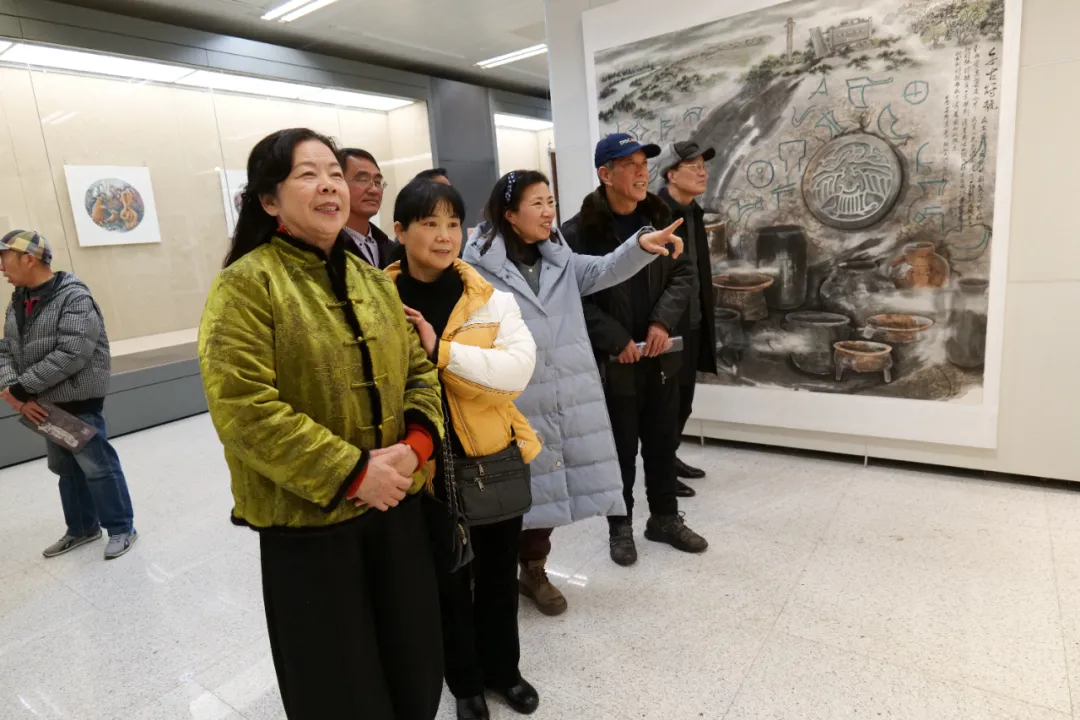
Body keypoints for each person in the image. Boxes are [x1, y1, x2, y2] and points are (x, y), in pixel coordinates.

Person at [198, 128, 444, 720]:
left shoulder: (372, 280)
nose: (330, 185)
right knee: (338, 687)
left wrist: (413, 448)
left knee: (413, 665)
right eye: (308, 174)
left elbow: (419, 371)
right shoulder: (246, 285)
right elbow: (243, 408)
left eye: (335, 172)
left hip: (398, 506)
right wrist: (354, 472)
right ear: (268, 200)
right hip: (310, 526)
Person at [463, 169, 684, 615]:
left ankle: (534, 570)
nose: (549, 212)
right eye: (537, 203)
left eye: (551, 202)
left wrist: (640, 246)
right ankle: (487, 575)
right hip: (510, 398)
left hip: (561, 392)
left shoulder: (559, 258)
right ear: (509, 214)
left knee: (546, 489)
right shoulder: (476, 269)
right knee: (506, 494)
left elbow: (603, 269)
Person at [386, 178, 542, 720]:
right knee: (446, 581)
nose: (444, 235)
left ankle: (505, 671)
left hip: (488, 459)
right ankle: (465, 683)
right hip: (421, 465)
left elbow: (517, 371)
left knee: (498, 574)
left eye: (453, 223)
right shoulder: (378, 301)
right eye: (429, 223)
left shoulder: (489, 299)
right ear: (400, 231)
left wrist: (442, 351)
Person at [562, 133, 709, 568]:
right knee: (620, 451)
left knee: (662, 443)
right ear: (605, 174)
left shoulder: (662, 217)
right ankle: (620, 525)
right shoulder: (578, 232)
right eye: (630, 165)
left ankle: (664, 518)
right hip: (615, 362)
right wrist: (615, 338)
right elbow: (571, 296)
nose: (642, 173)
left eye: (644, 164)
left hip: (661, 356)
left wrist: (662, 321)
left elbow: (683, 274)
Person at [0, 230, 138, 561]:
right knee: (65, 468)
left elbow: (72, 352)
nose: (1, 267)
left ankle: (122, 528)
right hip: (43, 404)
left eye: (4, 258)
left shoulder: (74, 297)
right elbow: (6, 350)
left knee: (98, 467)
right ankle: (82, 528)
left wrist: (20, 389)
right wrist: (12, 389)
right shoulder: (18, 300)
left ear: (28, 259)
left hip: (77, 403)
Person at [655, 141, 719, 489]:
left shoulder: (694, 213)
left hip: (692, 320)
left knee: (684, 402)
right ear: (671, 174)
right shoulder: (655, 217)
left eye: (703, 166)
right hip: (665, 326)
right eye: (693, 166)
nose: (702, 172)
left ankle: (670, 457)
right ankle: (662, 470)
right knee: (666, 403)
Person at [341, 147, 398, 268]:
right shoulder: (327, 247)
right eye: (363, 180)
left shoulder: (392, 249)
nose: (374, 190)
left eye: (377, 182)